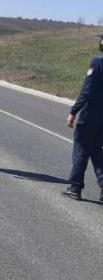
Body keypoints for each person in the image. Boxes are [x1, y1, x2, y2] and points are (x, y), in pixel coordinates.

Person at [61, 34, 103, 201]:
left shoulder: (98, 63)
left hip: (91, 114)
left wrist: (73, 111)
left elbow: (87, 90)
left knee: (81, 149)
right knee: (96, 150)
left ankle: (75, 187)